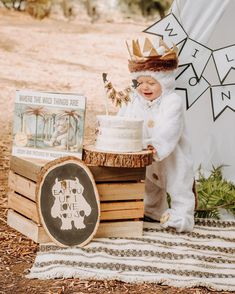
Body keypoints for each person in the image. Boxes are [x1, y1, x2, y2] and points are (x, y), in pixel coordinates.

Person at [118, 38, 195, 232]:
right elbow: (124, 119)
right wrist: (116, 132)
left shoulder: (172, 102)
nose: (145, 87)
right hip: (144, 156)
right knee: (148, 185)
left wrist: (156, 146)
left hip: (170, 155)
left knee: (178, 184)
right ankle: (152, 210)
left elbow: (170, 128)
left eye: (151, 82)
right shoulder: (134, 102)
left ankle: (183, 216)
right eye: (141, 82)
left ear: (165, 82)